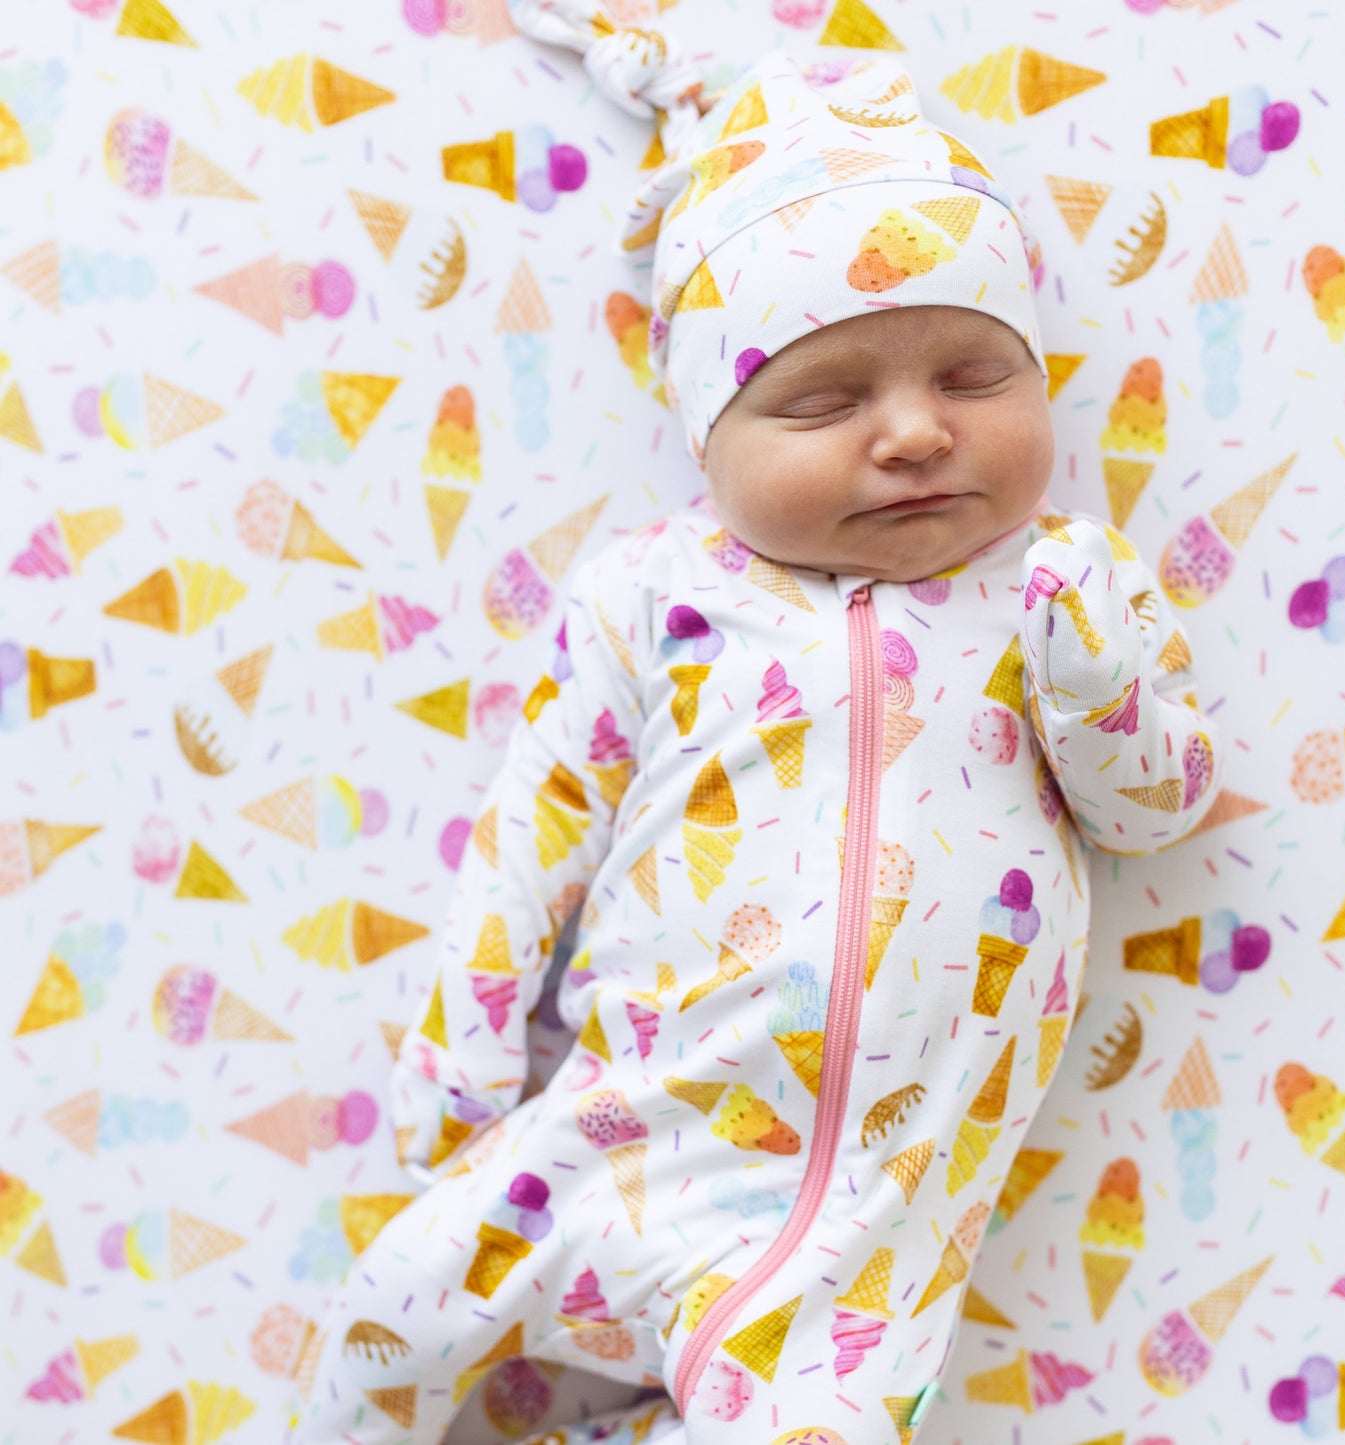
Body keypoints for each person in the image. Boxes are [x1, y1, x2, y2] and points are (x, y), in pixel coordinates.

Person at [294, 11, 1225, 1444]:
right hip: (620, 1139)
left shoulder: (1058, 586)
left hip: (864, 1231)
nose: (913, 433)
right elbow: (537, 820)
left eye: (973, 377)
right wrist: (461, 1047)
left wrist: (1083, 655)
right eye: (825, 397)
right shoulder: (657, 590)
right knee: (380, 1325)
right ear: (707, 426)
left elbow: (1155, 804)